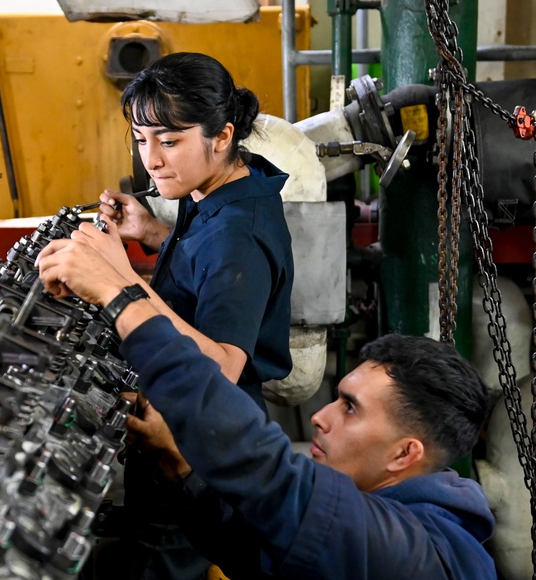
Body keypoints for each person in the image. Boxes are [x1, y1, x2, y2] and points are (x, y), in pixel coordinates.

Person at [36, 239, 495, 579]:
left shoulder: (410, 556)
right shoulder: (388, 526)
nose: (321, 416)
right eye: (339, 397)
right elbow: (258, 552)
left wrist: (121, 299)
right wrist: (177, 463)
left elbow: (262, 468)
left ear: (404, 454)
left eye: (350, 409)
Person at [76, 51, 293, 578]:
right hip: (191, 425)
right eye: (141, 138)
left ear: (222, 135)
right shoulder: (225, 189)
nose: (150, 159)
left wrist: (119, 281)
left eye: (169, 141)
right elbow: (203, 268)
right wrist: (150, 233)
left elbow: (222, 366)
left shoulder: (236, 232)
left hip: (206, 440)